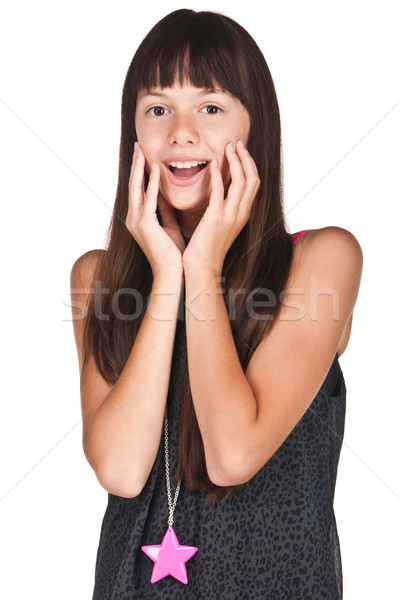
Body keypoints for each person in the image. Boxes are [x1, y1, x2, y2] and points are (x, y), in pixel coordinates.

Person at [70, 9, 363, 599]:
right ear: (133, 134)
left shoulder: (321, 261)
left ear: (254, 127)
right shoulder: (97, 277)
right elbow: (122, 471)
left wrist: (202, 264)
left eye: (210, 107)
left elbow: (233, 454)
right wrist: (166, 277)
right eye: (158, 109)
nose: (181, 132)